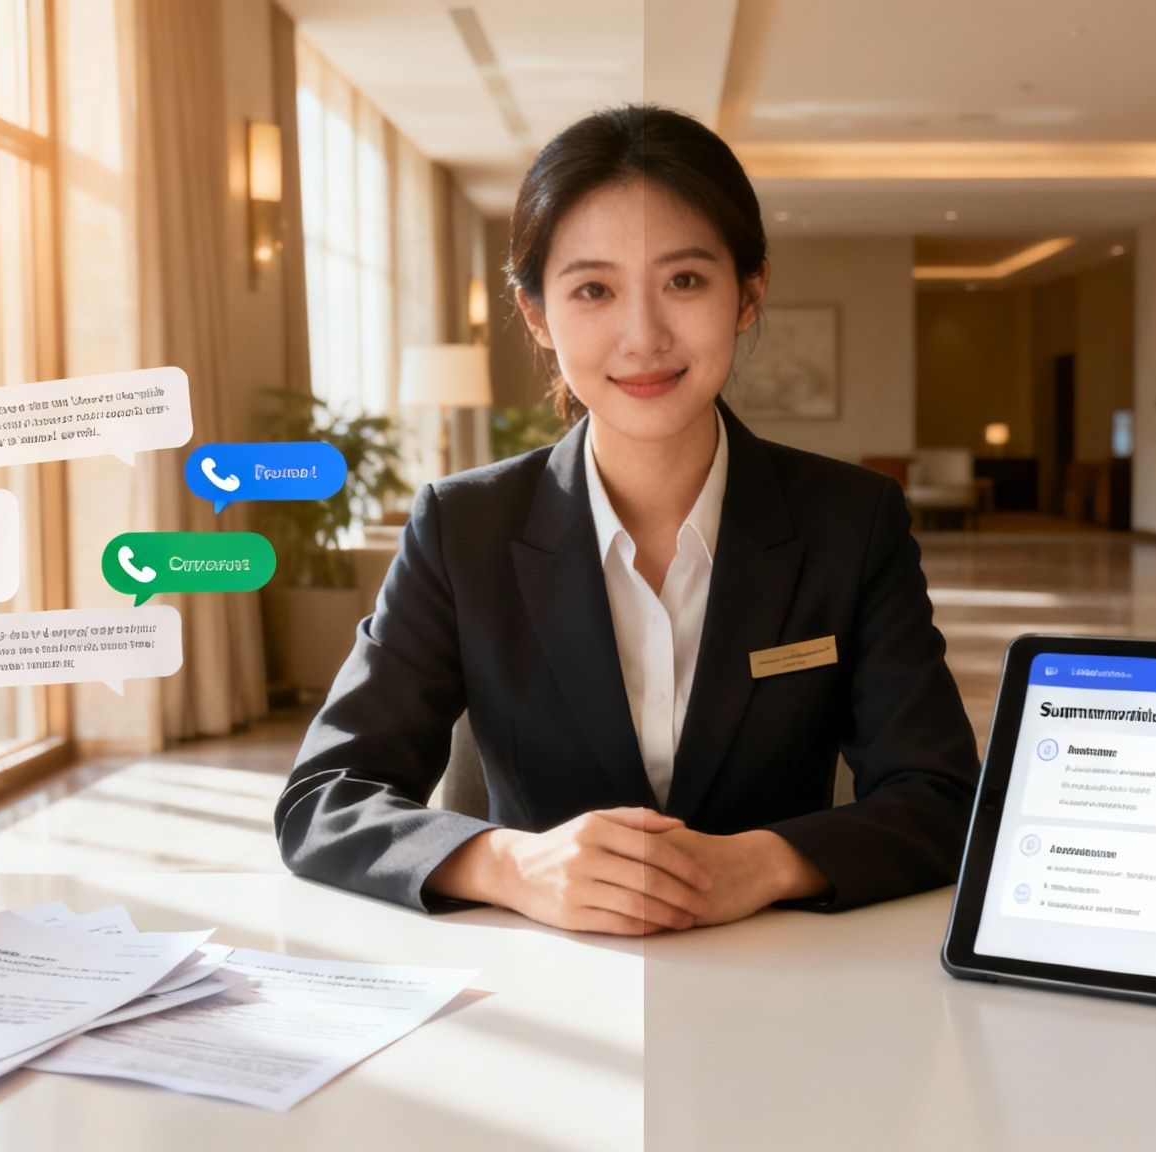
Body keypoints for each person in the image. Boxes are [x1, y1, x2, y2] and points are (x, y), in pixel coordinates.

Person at [275, 105, 979, 936]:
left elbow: (942, 798)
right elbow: (325, 798)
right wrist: (512, 864)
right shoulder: (462, 528)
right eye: (593, 289)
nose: (643, 336)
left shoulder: (851, 522)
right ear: (538, 315)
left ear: (747, 293)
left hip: (779, 975)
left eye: (685, 280)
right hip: (536, 983)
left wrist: (762, 861)